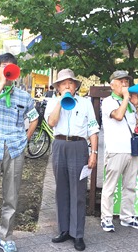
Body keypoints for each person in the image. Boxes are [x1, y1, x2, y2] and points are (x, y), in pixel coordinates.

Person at [0, 53, 39, 252]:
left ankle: (5, 236)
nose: (8, 70)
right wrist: (2, 84)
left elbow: (35, 118)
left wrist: (24, 139)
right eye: (3, 66)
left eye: (11, 67)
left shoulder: (24, 97)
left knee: (11, 196)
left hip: (15, 149)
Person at [44, 68, 99, 251]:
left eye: (70, 83)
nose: (67, 86)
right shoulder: (53, 102)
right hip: (60, 145)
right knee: (62, 189)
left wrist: (94, 152)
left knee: (78, 190)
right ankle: (64, 230)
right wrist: (61, 101)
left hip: (78, 146)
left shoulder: (85, 103)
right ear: (58, 87)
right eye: (63, 84)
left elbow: (92, 128)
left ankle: (78, 234)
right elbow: (51, 123)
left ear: (76, 86)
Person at [100, 70, 138, 232]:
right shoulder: (108, 101)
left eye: (126, 81)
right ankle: (106, 219)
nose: (125, 84)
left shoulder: (131, 103)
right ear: (112, 84)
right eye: (121, 81)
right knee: (110, 186)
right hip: (115, 150)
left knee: (130, 185)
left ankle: (127, 217)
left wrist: (136, 104)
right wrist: (126, 98)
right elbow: (119, 116)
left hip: (132, 149)